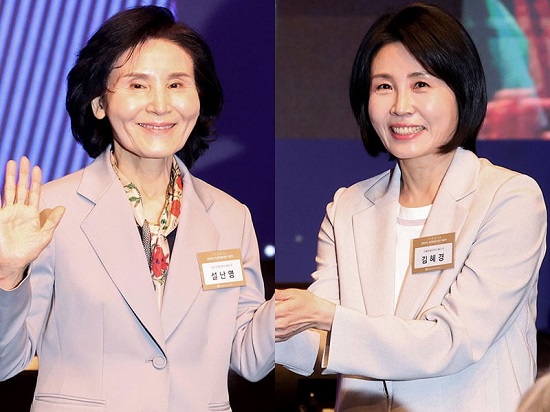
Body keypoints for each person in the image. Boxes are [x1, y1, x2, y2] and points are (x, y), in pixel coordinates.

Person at [275, 2, 547, 411]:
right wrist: (259, 327)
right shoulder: (348, 207)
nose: (401, 106)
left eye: (421, 84)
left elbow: (454, 341)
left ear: (462, 91)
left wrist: (326, 316)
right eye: (384, 86)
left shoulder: (508, 199)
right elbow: (321, 342)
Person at [0, 6, 273, 411]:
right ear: (99, 103)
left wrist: (289, 312)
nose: (160, 105)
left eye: (177, 84)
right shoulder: (50, 211)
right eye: (138, 85)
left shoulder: (232, 217)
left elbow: (248, 358)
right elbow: (6, 362)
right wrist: (7, 273)